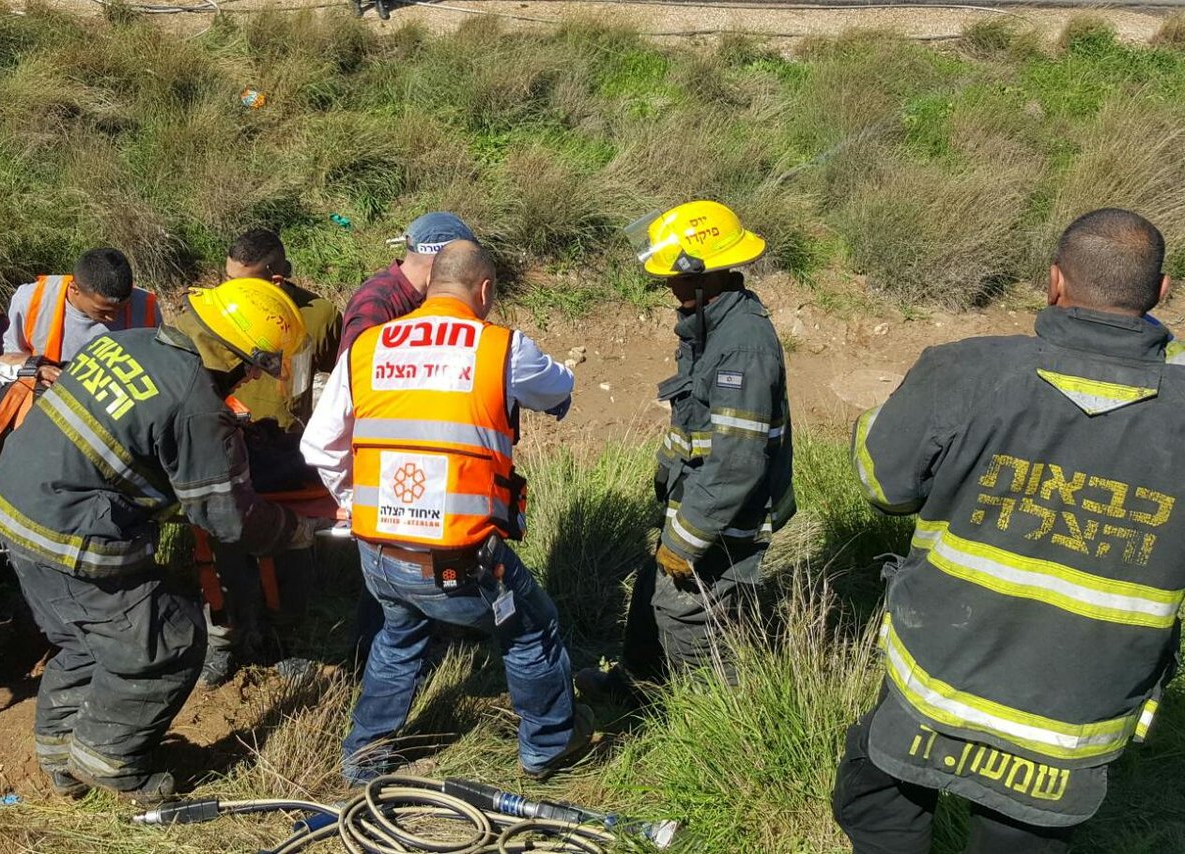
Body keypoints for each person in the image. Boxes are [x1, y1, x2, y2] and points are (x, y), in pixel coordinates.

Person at [832, 209, 1185, 853]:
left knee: (879, 801)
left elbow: (883, 485)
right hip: (1075, 713)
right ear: (1162, 292)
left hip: (939, 681)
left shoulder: (967, 371)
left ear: (1054, 282)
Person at [0, 278, 318, 802]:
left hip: (12, 509)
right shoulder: (196, 403)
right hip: (68, 534)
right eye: (255, 364)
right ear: (231, 352)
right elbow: (227, 518)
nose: (254, 375)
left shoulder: (126, 342)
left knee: (82, 640)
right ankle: (110, 759)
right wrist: (294, 531)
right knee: (169, 639)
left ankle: (59, 755)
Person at [302, 240, 590, 785]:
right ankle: (548, 748)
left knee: (399, 635)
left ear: (429, 285)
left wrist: (351, 500)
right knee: (532, 629)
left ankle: (363, 760)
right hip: (457, 556)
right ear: (484, 291)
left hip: (378, 551)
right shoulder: (499, 347)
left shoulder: (368, 348)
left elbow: (317, 446)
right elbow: (560, 389)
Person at [575, 199, 794, 703]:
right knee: (655, 587)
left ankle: (715, 720)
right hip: (695, 499)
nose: (667, 286)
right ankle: (636, 687)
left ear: (705, 274)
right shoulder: (711, 324)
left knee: (686, 609)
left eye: (674, 277)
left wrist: (686, 538)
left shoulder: (743, 346)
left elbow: (738, 461)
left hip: (722, 514)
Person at [199, 229, 343, 688]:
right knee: (223, 553)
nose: (230, 292)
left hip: (286, 454)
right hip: (223, 451)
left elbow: (338, 386)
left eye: (246, 282)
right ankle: (224, 642)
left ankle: (285, 644)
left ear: (277, 278)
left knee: (291, 552)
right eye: (226, 279)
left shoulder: (318, 317)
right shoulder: (220, 313)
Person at [338, 211, 479, 659]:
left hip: (418, 461)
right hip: (386, 465)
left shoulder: (418, 302)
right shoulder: (378, 305)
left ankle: (430, 643)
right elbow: (352, 396)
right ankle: (363, 664)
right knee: (389, 576)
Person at [4, 248, 161, 377]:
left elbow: (159, 362)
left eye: (121, 309)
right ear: (74, 289)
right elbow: (8, 359)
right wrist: (35, 369)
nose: (112, 318)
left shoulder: (145, 305)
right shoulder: (32, 300)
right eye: (103, 311)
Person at [339, 211, 478, 356]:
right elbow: (354, 370)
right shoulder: (378, 303)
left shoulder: (423, 297)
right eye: (463, 261)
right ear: (440, 259)